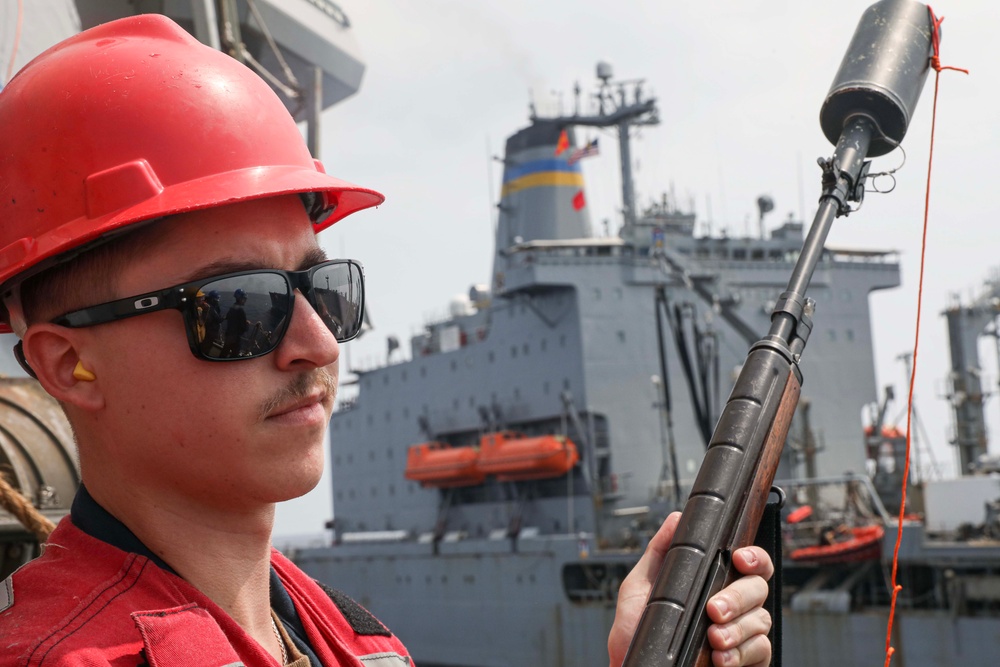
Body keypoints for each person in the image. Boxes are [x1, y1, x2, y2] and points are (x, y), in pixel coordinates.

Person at [0, 15, 773, 667]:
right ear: (70, 364)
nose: (317, 342)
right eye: (239, 307)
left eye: (326, 289)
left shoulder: (344, 633)